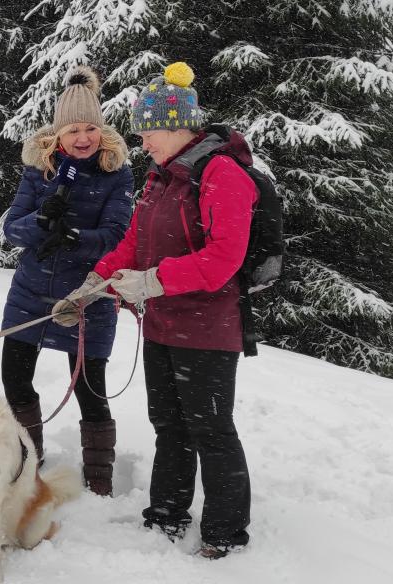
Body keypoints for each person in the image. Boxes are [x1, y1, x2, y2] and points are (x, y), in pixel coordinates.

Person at [53, 62, 254, 558]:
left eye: (149, 133)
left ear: (177, 127)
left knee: (210, 428)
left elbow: (225, 259)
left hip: (208, 328)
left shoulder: (221, 173)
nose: (142, 143)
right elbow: (134, 241)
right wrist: (94, 282)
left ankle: (226, 531)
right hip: (163, 324)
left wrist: (154, 280)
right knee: (168, 423)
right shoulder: (163, 177)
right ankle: (166, 512)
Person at [0, 66, 134, 497]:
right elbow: (12, 230)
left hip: (87, 296)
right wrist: (42, 222)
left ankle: (99, 480)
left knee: (90, 389)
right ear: (57, 134)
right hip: (29, 293)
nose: (82, 138)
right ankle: (27, 459)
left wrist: (75, 238)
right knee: (15, 379)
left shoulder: (117, 173)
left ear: (101, 131)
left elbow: (118, 237)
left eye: (90, 128)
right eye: (73, 129)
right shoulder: (38, 170)